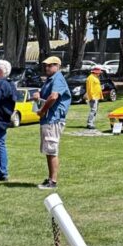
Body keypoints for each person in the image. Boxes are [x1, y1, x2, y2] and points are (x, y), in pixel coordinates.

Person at [35, 55, 71, 191]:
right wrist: (38, 96)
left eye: (50, 65)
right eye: (46, 65)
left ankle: (53, 181)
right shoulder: (51, 79)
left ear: (57, 66)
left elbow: (54, 96)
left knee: (52, 150)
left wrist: (43, 110)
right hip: (48, 119)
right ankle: (50, 178)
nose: (47, 67)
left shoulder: (58, 78)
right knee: (49, 151)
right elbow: (46, 95)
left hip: (53, 119)